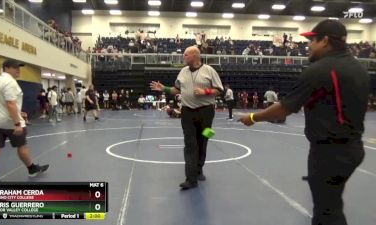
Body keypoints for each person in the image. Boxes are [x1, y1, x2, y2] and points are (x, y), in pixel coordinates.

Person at [238, 20, 370, 225]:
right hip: (353, 149)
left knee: (327, 212)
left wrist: (253, 117)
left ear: (325, 41)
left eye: (312, 40)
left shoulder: (320, 70)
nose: (308, 45)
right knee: (332, 203)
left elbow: (285, 107)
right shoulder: (359, 69)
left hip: (330, 153)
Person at [151, 46, 223, 190]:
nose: (183, 57)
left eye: (185, 55)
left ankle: (199, 168)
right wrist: (164, 88)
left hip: (206, 112)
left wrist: (205, 91)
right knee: (190, 144)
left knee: (204, 140)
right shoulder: (183, 71)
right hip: (187, 112)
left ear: (195, 56)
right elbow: (176, 89)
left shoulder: (209, 70)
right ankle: (191, 179)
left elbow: (220, 91)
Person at [0, 59, 49, 189]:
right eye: (15, 67)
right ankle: (32, 169)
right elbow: (10, 104)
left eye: (19, 67)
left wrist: (18, 111)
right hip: (10, 122)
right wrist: (17, 123)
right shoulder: (10, 82)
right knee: (22, 146)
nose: (18, 70)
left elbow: (5, 103)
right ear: (6, 68)